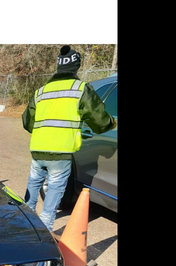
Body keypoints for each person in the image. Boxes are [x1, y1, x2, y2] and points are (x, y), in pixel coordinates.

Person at [22, 45, 116, 233]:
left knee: (33, 186)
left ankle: (25, 224)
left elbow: (27, 121)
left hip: (38, 149)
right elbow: (98, 118)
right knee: (54, 192)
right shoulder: (80, 89)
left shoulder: (41, 91)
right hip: (61, 152)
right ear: (76, 67)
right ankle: (44, 233)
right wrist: (110, 124)